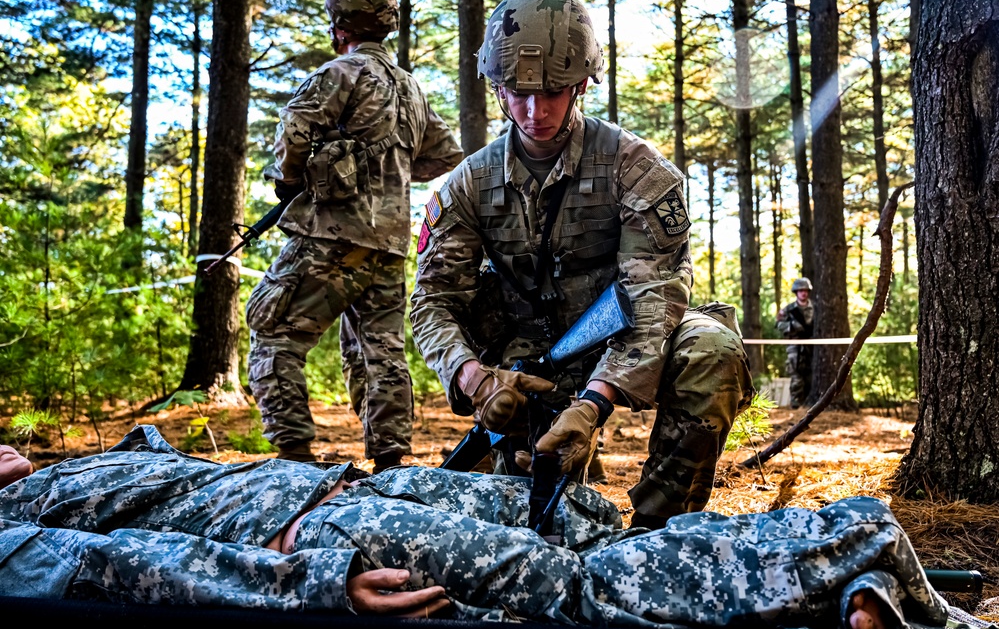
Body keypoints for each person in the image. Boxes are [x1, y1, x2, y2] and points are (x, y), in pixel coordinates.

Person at [0, 427, 956, 629]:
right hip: (328, 536)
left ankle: (847, 598)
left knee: (581, 530)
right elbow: (110, 566)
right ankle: (855, 543)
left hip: (351, 488)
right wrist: (308, 587)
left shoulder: (50, 470)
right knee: (575, 593)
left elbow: (149, 489)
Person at [409, 0, 754, 529]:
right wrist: (476, 379)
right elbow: (432, 301)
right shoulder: (468, 183)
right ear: (497, 88)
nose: (534, 110)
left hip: (622, 341)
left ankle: (656, 530)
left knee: (710, 349)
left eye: (553, 91)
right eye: (518, 92)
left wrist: (594, 405)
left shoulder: (636, 169)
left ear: (584, 84)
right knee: (528, 526)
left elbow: (652, 299)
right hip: (525, 364)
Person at [246, 0, 463, 467]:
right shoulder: (412, 88)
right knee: (379, 353)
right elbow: (446, 154)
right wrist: (392, 173)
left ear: (339, 25)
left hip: (331, 237)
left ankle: (293, 457)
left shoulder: (341, 72)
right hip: (387, 247)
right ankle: (389, 465)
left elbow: (294, 133)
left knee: (274, 333)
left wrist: (293, 180)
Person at [777, 277, 815, 406]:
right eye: (800, 290)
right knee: (796, 373)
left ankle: (809, 402)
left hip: (813, 344)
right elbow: (778, 324)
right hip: (794, 345)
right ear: (796, 292)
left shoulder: (816, 308)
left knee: (811, 372)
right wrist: (792, 326)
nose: (803, 293)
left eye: (805, 290)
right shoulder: (789, 309)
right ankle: (796, 403)